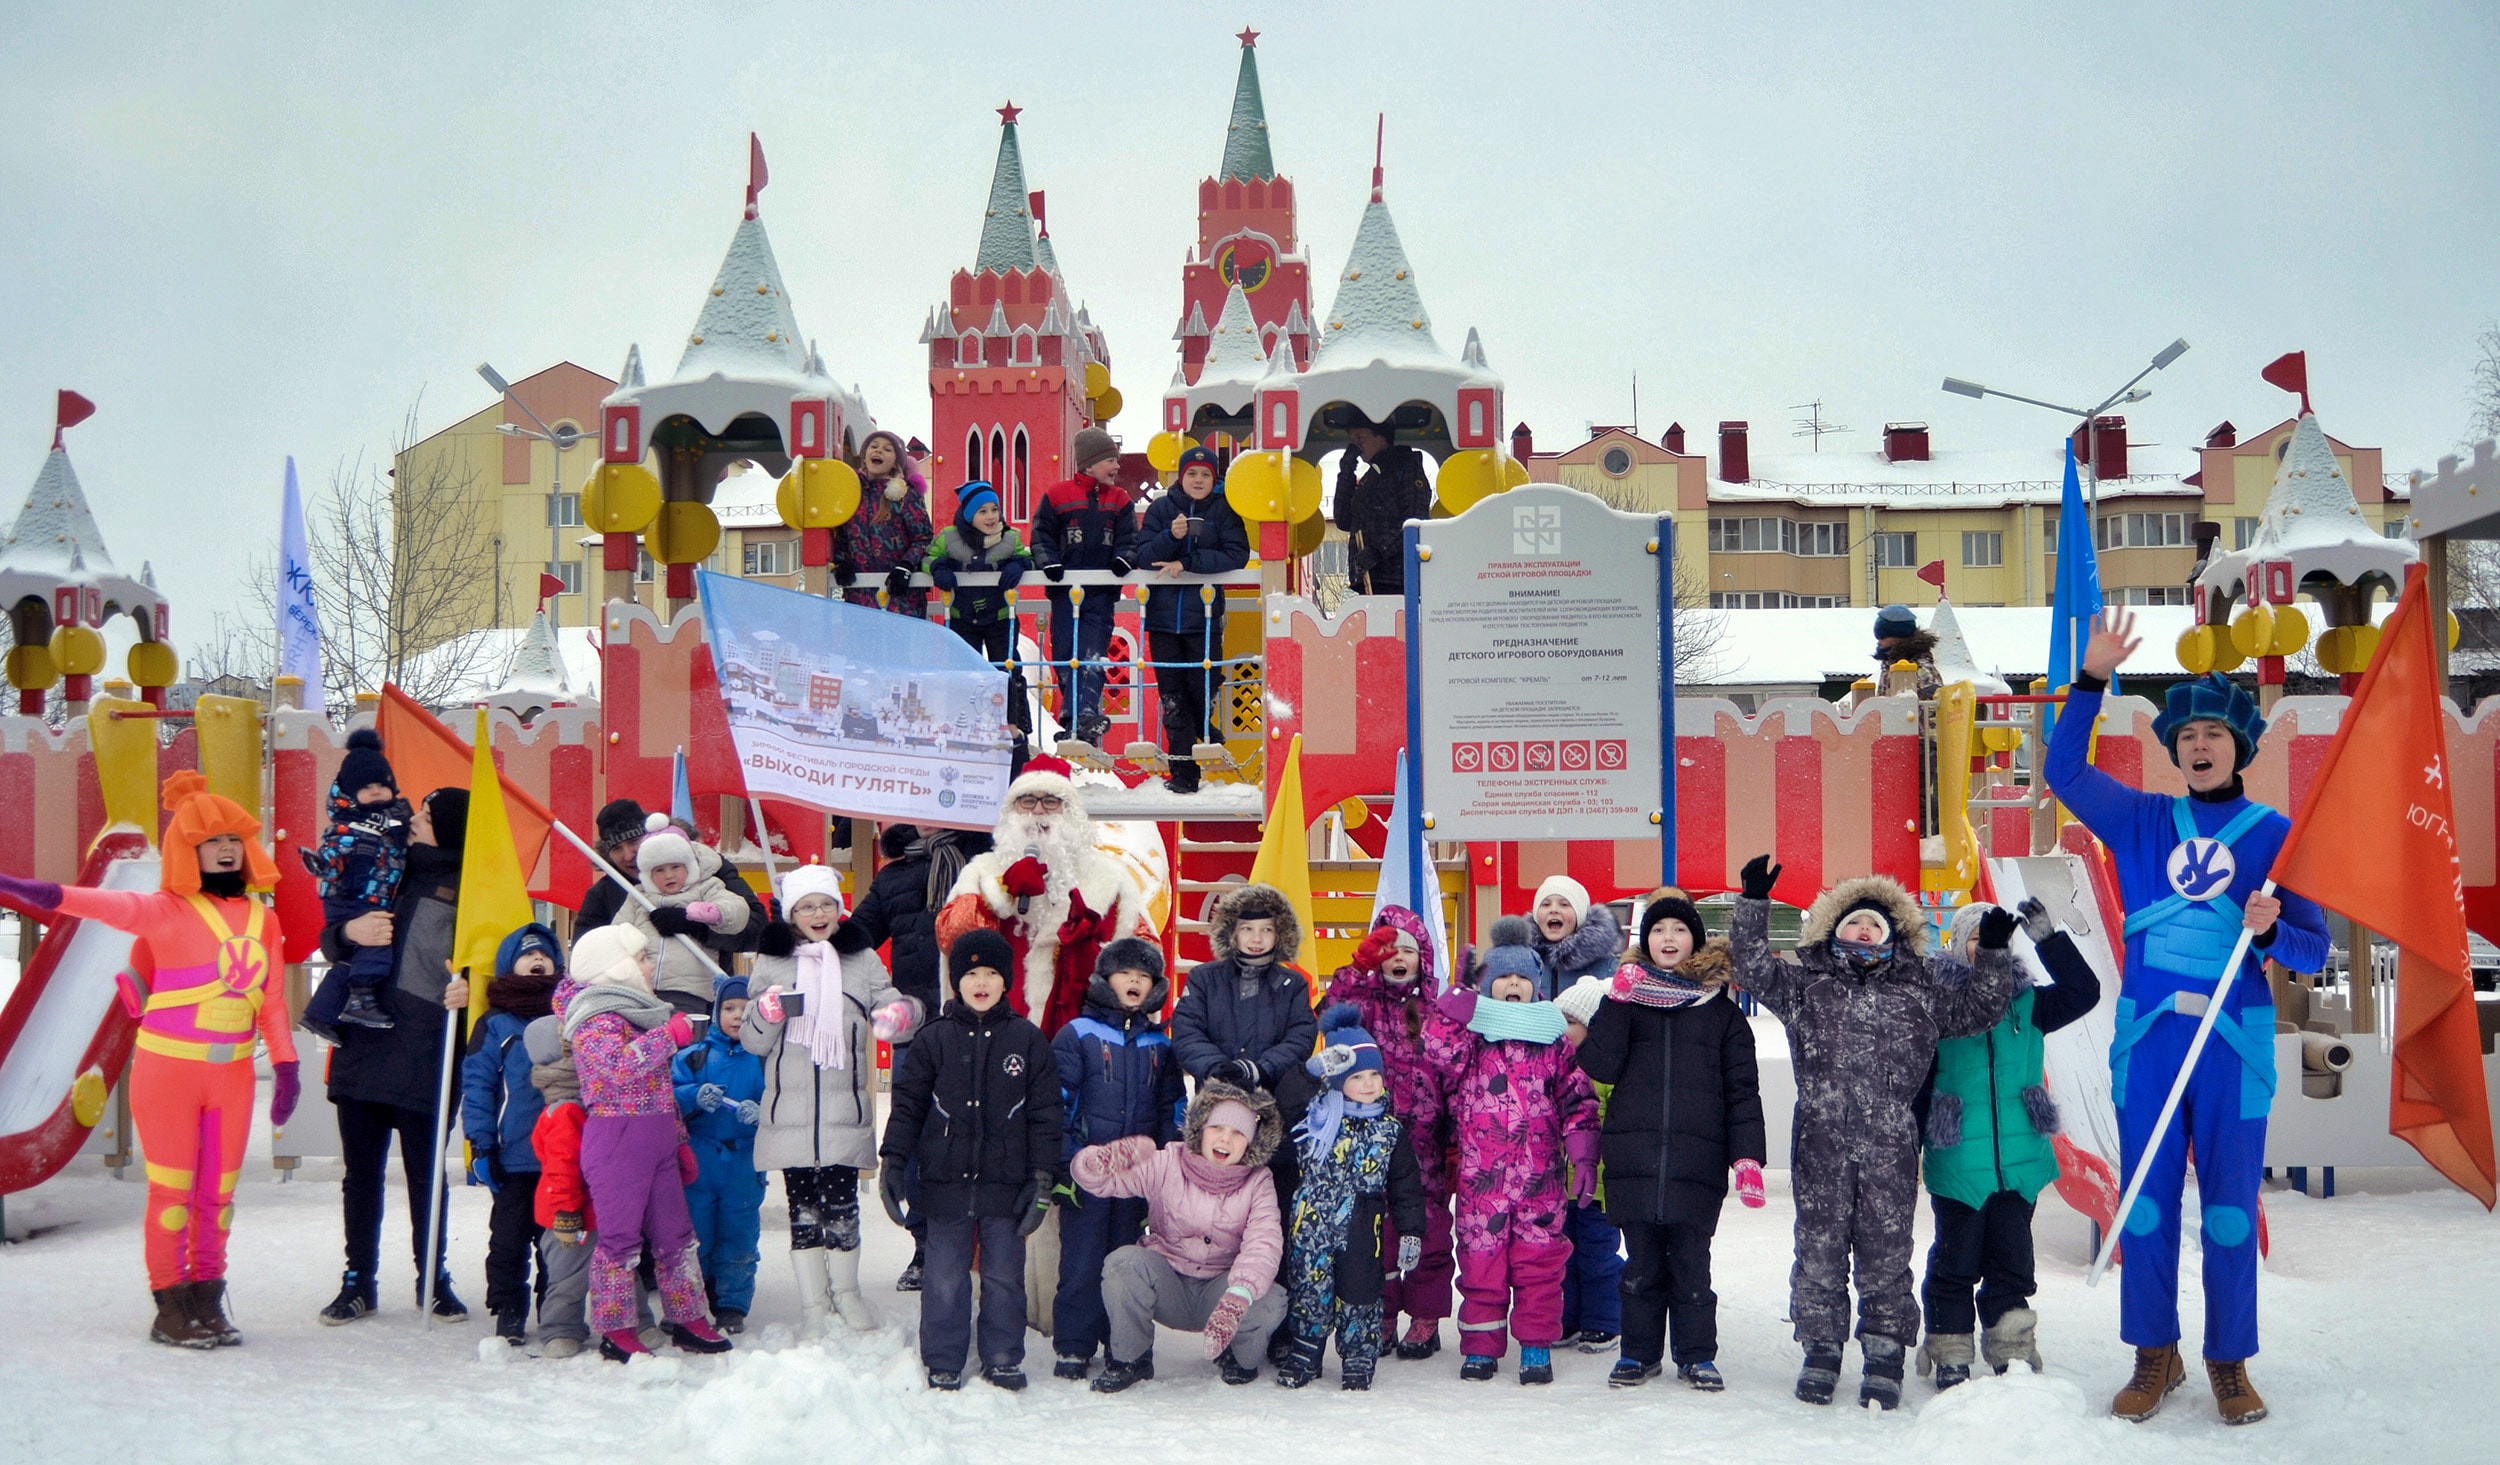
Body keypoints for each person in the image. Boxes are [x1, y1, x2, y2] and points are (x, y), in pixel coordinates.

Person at [2048, 610, 2329, 1426]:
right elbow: (2065, 769)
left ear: (2240, 745)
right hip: (2149, 1039)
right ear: (2177, 751)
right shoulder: (2141, 820)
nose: (2201, 744)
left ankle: (2228, 1361)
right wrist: (2092, 680)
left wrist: (2274, 926)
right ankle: (2154, 1353)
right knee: (2144, 1204)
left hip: (2233, 1045)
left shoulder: (2276, 835)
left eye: (2214, 731)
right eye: (2188, 734)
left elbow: (2313, 952)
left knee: (2234, 1207)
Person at [0, 771, 300, 1348]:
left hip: (232, 1076)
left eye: (234, 837)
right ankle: (170, 1307)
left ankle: (208, 1298)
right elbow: (102, 903)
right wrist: (38, 892)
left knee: (218, 1197)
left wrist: (285, 1065)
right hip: (170, 1073)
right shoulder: (162, 910)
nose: (226, 848)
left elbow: (271, 1006)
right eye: (213, 840)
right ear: (190, 849)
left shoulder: (265, 919)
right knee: (171, 1196)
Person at [1727, 856, 2023, 1410]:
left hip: (1890, 1141)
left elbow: (1983, 1007)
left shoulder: (1921, 991)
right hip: (1820, 1138)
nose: (1864, 931)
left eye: (1876, 925)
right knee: (1819, 1249)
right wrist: (1752, 905)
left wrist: (1996, 955)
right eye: (1853, 923)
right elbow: (1751, 965)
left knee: (1886, 1251)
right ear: (1833, 929)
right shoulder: (1806, 987)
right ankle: (1820, 1347)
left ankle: (1884, 1351)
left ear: (1894, 936)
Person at [1569, 888, 1767, 1391]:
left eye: (1679, 929)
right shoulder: (1626, 1002)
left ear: (1694, 940)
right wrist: (1615, 1000)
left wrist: (1747, 1156)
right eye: (1657, 930)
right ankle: (1638, 1354)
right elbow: (1599, 1064)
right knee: (1640, 1268)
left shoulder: (1720, 1013)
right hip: (1634, 1158)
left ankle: (1697, 1355)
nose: (1668, 938)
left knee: (1692, 1267)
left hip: (1697, 1160)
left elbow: (1742, 1088)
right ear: (1645, 941)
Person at [1917, 898, 2101, 1390]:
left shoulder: (2029, 1001)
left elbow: (2085, 991)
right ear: (1958, 944)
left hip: (2020, 1157)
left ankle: (2012, 1346)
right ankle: (1951, 1345)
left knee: (2013, 1261)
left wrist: (2048, 939)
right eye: (1976, 937)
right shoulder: (1938, 1003)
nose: (1985, 946)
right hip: (1960, 1158)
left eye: (1994, 936)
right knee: (1955, 1260)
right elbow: (1919, 1082)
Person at [316, 784, 471, 1326]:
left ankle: (434, 1278)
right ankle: (358, 1280)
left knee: (427, 1174)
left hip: (427, 1050)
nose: (413, 820)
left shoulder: (473, 891)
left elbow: (500, 963)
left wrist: (474, 990)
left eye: (427, 816)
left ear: (451, 829)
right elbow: (331, 939)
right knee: (361, 1174)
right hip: (363, 1043)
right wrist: (346, 932)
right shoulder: (383, 866)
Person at [879, 929, 1060, 1390]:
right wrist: (893, 1161)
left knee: (1003, 1277)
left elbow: (1045, 1116)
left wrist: (1042, 1178)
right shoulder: (932, 1039)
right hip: (944, 1184)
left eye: (992, 973)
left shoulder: (1028, 1040)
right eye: (971, 973)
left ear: (1007, 981)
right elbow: (908, 1106)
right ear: (956, 981)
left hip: (1007, 1184)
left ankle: (1002, 1355)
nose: (981, 982)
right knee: (944, 1279)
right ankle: (943, 1357)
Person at [744, 865, 921, 1332]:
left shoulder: (860, 958)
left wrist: (899, 1014)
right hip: (789, 1110)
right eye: (806, 906)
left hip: (845, 1106)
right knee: (802, 1208)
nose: (818, 914)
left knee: (842, 1206)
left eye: (826, 904)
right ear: (792, 914)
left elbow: (888, 1005)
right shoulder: (771, 962)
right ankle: (813, 1302)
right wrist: (766, 1014)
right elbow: (752, 1040)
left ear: (839, 910)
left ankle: (847, 1292)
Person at [1425, 918, 1600, 1384]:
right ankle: (1481, 1345)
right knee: (1481, 1261)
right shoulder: (1472, 1036)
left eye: (1523, 977)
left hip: (1540, 1180)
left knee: (1540, 1263)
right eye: (1503, 976)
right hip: (1482, 1181)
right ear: (1488, 983)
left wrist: (1583, 1154)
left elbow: (1578, 1100)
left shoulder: (1553, 1038)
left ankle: (1537, 1344)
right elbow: (1438, 1056)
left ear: (1536, 984)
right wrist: (1454, 1004)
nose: (1514, 984)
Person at [561, 924, 733, 1360]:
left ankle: (688, 1318)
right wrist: (668, 1037)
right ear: (614, 968)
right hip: (618, 1138)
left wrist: (678, 1142)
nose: (648, 965)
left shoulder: (639, 1012)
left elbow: (660, 1089)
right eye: (640, 958)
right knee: (618, 1238)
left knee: (676, 1234)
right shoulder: (593, 1017)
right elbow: (614, 1070)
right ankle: (615, 1329)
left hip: (656, 1135)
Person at [841, 822, 990, 1291]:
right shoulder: (894, 873)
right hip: (918, 1023)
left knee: (983, 1129)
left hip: (980, 1017)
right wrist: (813, 926)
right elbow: (861, 932)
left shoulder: (985, 859)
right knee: (923, 1131)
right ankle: (926, 1246)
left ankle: (988, 1245)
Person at [1074, 1081, 1289, 1392]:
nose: (1225, 1139)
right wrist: (1097, 1162)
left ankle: (1239, 1359)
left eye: (1238, 1133)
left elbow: (1264, 1241)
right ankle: (1130, 1359)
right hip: (1168, 1282)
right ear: (1201, 1129)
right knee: (1122, 1264)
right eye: (1218, 1128)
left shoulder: (1258, 1182)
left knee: (1270, 1300)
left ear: (1250, 1144)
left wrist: (1238, 1296)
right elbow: (1101, 1183)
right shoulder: (1167, 1162)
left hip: (1221, 1292)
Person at [934, 753, 1154, 1038]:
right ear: (1011, 811)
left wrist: (1091, 951)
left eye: (1051, 801)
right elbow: (950, 937)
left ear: (1071, 812)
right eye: (1027, 801)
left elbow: (1146, 957)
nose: (1038, 811)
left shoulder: (1110, 879)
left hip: (1081, 1043)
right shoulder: (981, 873)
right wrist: (1001, 892)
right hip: (993, 1040)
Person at [1170, 882, 1321, 1286]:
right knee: (1220, 1223)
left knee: (1275, 1223)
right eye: (1248, 930)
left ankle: (1277, 1326)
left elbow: (1301, 1037)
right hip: (1218, 1126)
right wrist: (1219, 1069)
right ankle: (1217, 1312)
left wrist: (1258, 1069)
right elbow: (1185, 1031)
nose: (1257, 939)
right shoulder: (1204, 979)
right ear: (1231, 933)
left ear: (1280, 934)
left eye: (1267, 930)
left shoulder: (1293, 986)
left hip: (1278, 1121)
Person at [1050, 937, 1186, 1379]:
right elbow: (1058, 1104)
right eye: (1125, 972)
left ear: (1155, 986)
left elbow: (1172, 1109)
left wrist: (1168, 1168)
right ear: (1106, 979)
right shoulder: (1079, 1034)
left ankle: (1125, 1345)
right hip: (1088, 1175)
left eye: (1143, 975)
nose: (1133, 981)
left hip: (1139, 1178)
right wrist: (1066, 1163)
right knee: (1081, 1261)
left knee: (1127, 1261)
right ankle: (1073, 1345)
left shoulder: (1160, 1045)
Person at [1323, 907, 1454, 1361]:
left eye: (1410, 950)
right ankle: (1381, 1313)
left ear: (1425, 959)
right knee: (1376, 1233)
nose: (1400, 957)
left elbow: (1454, 1072)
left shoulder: (1438, 1011)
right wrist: (1357, 970)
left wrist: (1454, 1137)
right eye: (1390, 949)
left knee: (1428, 1232)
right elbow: (1330, 1013)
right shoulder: (1364, 1004)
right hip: (1370, 1140)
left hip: (1425, 1146)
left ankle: (1425, 1316)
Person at [1275, 1007, 1428, 1391]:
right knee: (1309, 1288)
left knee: (1362, 1290)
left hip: (1362, 1220)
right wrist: (1313, 1069)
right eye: (1357, 1076)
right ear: (1337, 1078)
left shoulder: (1390, 1130)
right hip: (1311, 1220)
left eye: (1374, 1074)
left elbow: (1405, 1185)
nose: (1368, 1083)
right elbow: (1285, 1101)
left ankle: (1359, 1354)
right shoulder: (1314, 1116)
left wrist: (1411, 1231)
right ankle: (1306, 1350)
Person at [1522, 875, 1628, 1352]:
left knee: (1597, 1241)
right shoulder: (1522, 961)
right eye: (1546, 902)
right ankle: (1564, 1315)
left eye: (1565, 902)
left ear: (1581, 914)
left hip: (1592, 1117)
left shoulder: (1607, 967)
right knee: (1552, 1235)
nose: (1554, 910)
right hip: (1539, 1111)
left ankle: (1603, 1315)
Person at [459, 922, 565, 1345]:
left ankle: (554, 1308)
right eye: (527, 954)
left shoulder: (569, 1017)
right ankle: (508, 1306)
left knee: (558, 1242)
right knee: (508, 1241)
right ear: (509, 966)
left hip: (562, 1156)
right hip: (513, 1155)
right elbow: (478, 1086)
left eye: (545, 954)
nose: (538, 960)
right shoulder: (496, 1023)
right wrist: (481, 1143)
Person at [1136, 446, 1250, 793]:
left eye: (1205, 475)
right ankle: (1184, 776)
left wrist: (1188, 562)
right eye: (1192, 474)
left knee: (1203, 686)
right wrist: (1172, 536)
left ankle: (1207, 729)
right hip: (1163, 619)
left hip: (1204, 618)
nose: (1198, 480)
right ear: (1180, 476)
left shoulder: (1224, 510)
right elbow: (1143, 556)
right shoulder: (1160, 509)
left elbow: (1237, 554)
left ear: (1213, 479)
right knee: (1173, 700)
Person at [1031, 425, 1139, 745]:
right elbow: (1042, 534)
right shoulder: (1057, 495)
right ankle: (1073, 717)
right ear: (1089, 464)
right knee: (1064, 651)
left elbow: (1129, 538)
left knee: (1092, 653)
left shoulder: (1120, 500)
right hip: (1065, 593)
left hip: (1100, 595)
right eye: (1110, 460)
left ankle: (1088, 715)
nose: (1117, 467)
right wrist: (1048, 560)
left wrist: (1123, 559)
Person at [671, 974, 767, 1332]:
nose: (738, 1016)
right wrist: (693, 1096)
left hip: (743, 1161)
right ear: (716, 1012)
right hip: (699, 1161)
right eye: (729, 1008)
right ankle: (694, 1299)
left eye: (746, 1008)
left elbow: (782, 1101)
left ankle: (731, 1303)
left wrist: (762, 1114)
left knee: (739, 1233)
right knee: (696, 1232)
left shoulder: (763, 1059)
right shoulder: (694, 1057)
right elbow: (668, 1095)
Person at [301, 727, 410, 1032]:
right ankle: (361, 998)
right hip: (349, 899)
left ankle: (320, 1014)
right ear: (350, 794)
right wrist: (324, 865)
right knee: (376, 944)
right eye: (366, 787)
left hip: (371, 897)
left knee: (352, 958)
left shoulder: (396, 822)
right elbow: (335, 855)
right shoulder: (347, 828)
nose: (376, 791)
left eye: (381, 784)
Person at [925, 481, 1034, 748]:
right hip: (963, 617)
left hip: (999, 617)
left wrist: (1019, 564)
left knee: (1007, 671)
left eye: (994, 509)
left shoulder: (1010, 537)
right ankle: (965, 728)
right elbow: (927, 557)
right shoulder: (948, 537)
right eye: (982, 511)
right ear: (968, 514)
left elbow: (1026, 556)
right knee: (965, 673)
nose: (990, 517)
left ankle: (1017, 728)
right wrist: (938, 568)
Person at [609, 813, 751, 1015]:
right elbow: (616, 933)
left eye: (675, 867)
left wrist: (710, 913)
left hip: (688, 989)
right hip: (642, 989)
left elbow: (737, 910)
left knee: (684, 1038)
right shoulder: (638, 897)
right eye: (659, 870)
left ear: (689, 866)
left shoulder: (706, 888)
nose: (668, 875)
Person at [833, 428, 934, 619]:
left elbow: (923, 537)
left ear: (896, 462)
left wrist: (905, 566)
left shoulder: (906, 495)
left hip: (901, 599)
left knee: (899, 648)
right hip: (860, 597)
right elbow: (840, 534)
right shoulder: (850, 492)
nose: (878, 451)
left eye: (888, 449)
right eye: (874, 446)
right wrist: (841, 562)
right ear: (864, 456)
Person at [1329, 413, 1432, 597]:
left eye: (1361, 438)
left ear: (1381, 437)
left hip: (1396, 580)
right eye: (1353, 441)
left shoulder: (1407, 469)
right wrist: (1346, 471)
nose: (1357, 446)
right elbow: (1344, 520)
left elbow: (1415, 523)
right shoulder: (1370, 476)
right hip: (1366, 579)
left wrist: (1376, 551)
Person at [575, 798, 649, 932]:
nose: (628, 855)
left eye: (634, 841)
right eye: (616, 849)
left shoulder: (689, 873)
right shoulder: (600, 897)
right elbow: (585, 949)